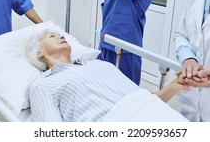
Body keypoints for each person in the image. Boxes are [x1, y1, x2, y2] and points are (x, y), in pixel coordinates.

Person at [27, 29, 190, 122]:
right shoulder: (44, 85)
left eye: (60, 34)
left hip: (157, 112)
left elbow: (140, 99)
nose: (61, 36)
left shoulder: (98, 63)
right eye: (52, 36)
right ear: (39, 51)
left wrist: (174, 86)